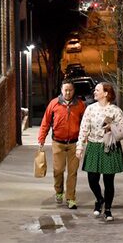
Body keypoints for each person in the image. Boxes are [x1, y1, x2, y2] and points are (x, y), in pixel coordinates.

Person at [76, 82, 123, 222]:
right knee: (92, 179)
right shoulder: (90, 109)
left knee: (108, 181)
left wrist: (112, 126)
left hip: (109, 147)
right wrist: (79, 146)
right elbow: (84, 128)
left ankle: (108, 209)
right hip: (93, 145)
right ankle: (99, 199)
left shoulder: (116, 111)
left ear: (106, 93)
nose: (94, 92)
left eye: (97, 90)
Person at [38, 80, 86, 209]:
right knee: (58, 170)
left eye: (70, 90)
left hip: (75, 143)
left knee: (72, 172)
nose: (68, 92)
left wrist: (85, 138)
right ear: (61, 90)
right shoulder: (54, 104)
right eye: (65, 90)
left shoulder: (80, 105)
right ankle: (59, 191)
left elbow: (86, 123)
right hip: (58, 143)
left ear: (73, 91)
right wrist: (41, 138)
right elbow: (46, 122)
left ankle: (71, 198)